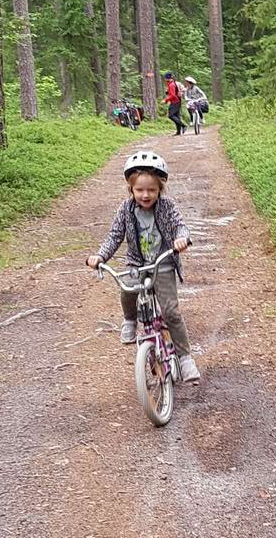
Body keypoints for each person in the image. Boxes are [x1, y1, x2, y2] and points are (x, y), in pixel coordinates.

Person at [86, 150, 201, 382]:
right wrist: (100, 256)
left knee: (171, 312)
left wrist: (181, 239)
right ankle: (130, 319)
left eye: (151, 190)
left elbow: (180, 226)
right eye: (139, 190)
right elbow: (114, 236)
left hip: (163, 263)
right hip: (137, 264)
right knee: (127, 288)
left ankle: (185, 357)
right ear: (131, 189)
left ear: (160, 189)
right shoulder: (125, 210)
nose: (145, 195)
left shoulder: (167, 207)